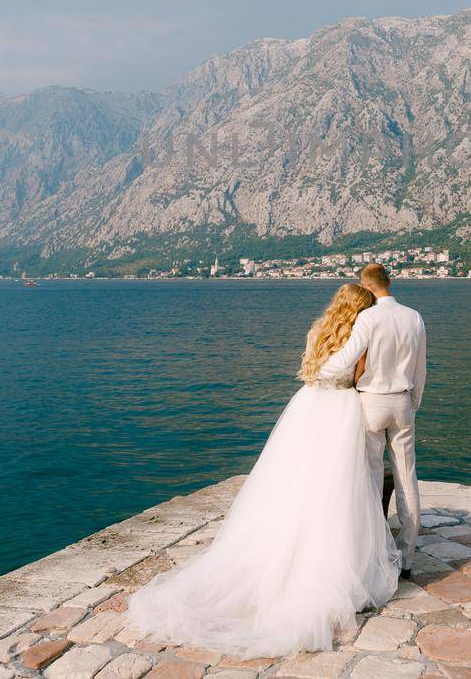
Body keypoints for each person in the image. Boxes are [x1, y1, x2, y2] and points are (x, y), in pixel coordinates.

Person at [127, 284, 401, 658]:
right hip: (340, 412)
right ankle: (335, 564)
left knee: (295, 483)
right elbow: (351, 375)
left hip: (307, 407)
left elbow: (313, 370)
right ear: (361, 310)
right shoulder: (360, 336)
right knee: (336, 491)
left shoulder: (316, 330)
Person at [319, 263, 427, 577]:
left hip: (371, 403)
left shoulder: (368, 317)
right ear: (389, 282)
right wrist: (411, 404)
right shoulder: (414, 317)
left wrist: (319, 373)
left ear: (366, 288)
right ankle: (407, 558)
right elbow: (420, 372)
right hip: (403, 402)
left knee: (371, 479)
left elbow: (348, 356)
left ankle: (378, 553)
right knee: (408, 479)